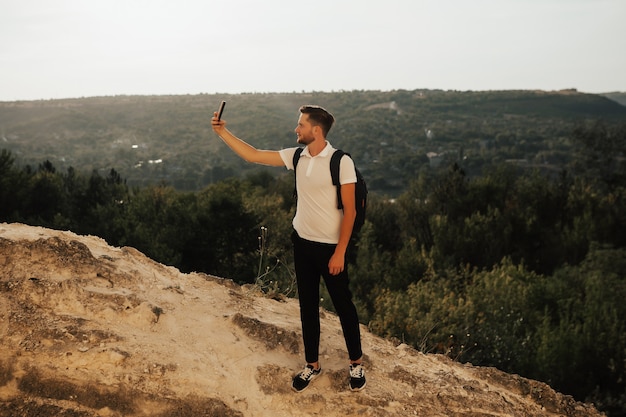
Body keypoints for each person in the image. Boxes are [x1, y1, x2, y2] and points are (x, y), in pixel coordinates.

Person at [211, 104, 366, 393]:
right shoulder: (298, 156)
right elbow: (253, 155)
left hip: (331, 248)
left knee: (344, 306)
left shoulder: (340, 161)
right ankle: (312, 365)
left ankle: (356, 363)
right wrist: (223, 133)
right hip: (302, 243)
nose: (296, 129)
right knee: (307, 307)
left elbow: (351, 211)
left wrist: (340, 252)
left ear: (316, 130)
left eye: (301, 125)